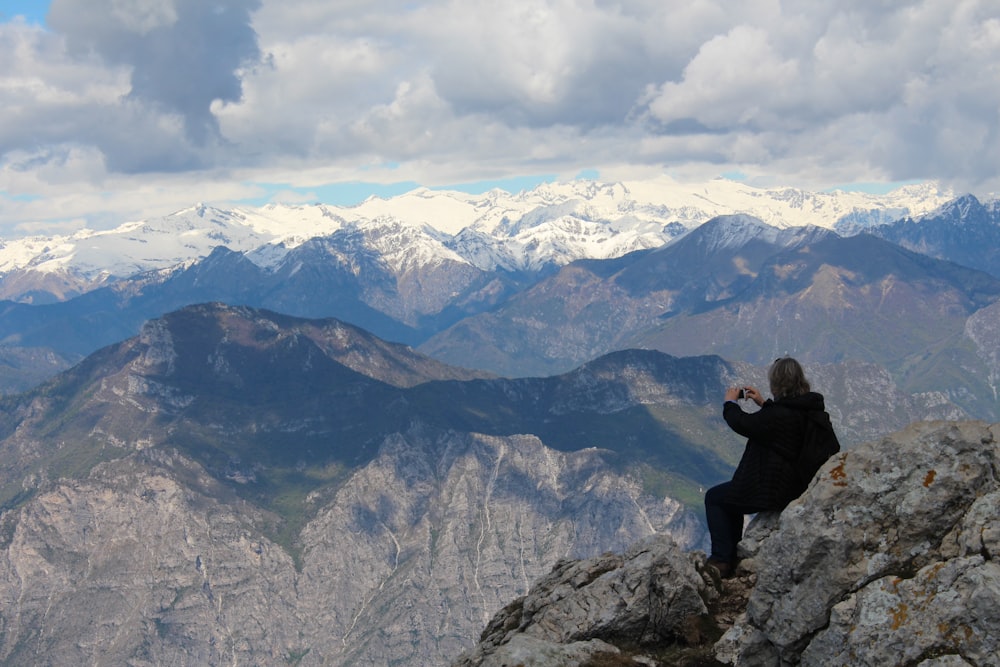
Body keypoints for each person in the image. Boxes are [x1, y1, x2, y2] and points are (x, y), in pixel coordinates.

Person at [704, 357, 832, 578]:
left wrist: (730, 403)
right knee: (731, 497)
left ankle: (722, 560)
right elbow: (785, 423)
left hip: (777, 488)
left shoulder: (779, 416)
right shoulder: (811, 408)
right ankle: (730, 556)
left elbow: (743, 423)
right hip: (802, 484)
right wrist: (763, 403)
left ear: (777, 383)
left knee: (716, 498)